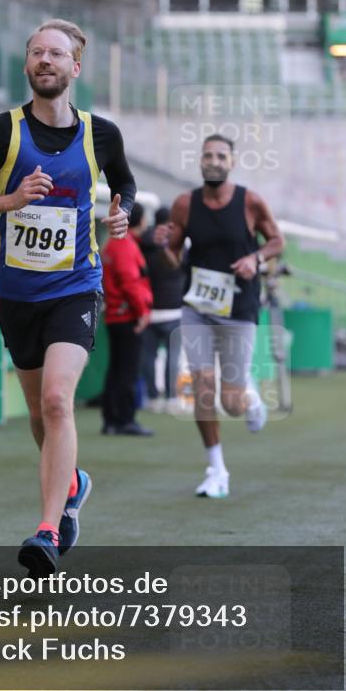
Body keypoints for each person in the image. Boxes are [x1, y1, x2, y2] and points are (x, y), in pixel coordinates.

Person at [0, 18, 136, 576]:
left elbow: (126, 184)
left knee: (57, 401)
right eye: (35, 53)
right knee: (37, 412)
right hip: (18, 294)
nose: (45, 60)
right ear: (27, 66)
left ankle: (48, 530)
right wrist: (8, 201)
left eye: (56, 53)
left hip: (76, 286)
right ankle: (74, 483)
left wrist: (125, 212)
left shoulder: (102, 134)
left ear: (76, 67)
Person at [154, 134, 284, 499]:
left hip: (239, 308)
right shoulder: (185, 204)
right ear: (200, 161)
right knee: (202, 388)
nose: (213, 161)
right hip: (197, 307)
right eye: (207, 155)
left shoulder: (250, 202)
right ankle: (217, 469)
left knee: (230, 399)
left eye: (220, 156)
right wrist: (165, 244)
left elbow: (277, 241)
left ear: (231, 162)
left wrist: (255, 259)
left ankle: (250, 398)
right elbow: (175, 258)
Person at [101, 202, 154, 436]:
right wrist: (142, 312)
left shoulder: (113, 244)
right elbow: (131, 282)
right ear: (141, 221)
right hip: (126, 316)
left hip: (116, 315)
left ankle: (113, 419)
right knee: (127, 370)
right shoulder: (124, 245)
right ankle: (124, 419)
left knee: (118, 368)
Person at [138, 205, 185, 412]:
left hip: (148, 310)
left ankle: (152, 397)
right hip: (174, 310)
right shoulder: (177, 245)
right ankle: (171, 398)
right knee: (173, 357)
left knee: (149, 356)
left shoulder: (141, 244)